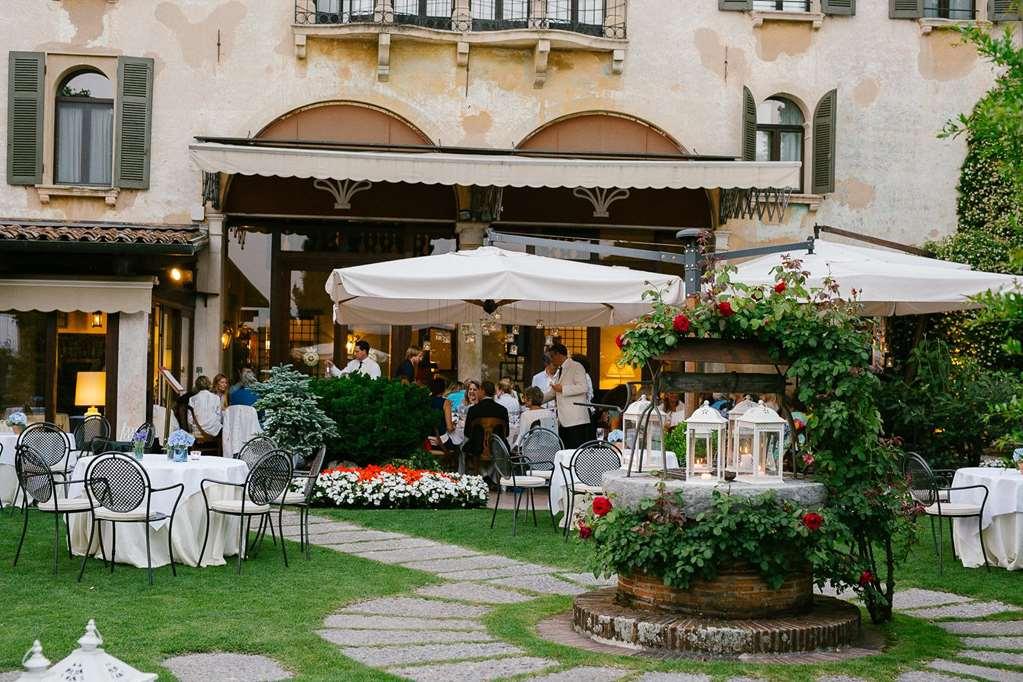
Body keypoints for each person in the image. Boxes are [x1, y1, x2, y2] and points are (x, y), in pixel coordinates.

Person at [542, 343, 593, 449]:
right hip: (563, 420)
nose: (551, 360)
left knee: (575, 451)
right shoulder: (560, 370)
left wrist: (563, 389)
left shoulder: (576, 366)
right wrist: (537, 400)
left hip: (575, 420)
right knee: (565, 450)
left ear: (558, 354)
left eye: (552, 356)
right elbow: (554, 392)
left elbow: (583, 387)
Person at [463, 380, 509, 460]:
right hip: (497, 449)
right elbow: (506, 433)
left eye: (479, 390)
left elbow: (467, 433)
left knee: (462, 447)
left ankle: (466, 472)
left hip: (476, 449)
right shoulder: (503, 410)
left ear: (483, 391)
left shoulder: (473, 410)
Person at [187, 375, 223, 440]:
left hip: (197, 431)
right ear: (209, 384)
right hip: (214, 431)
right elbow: (219, 416)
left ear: (197, 385)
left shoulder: (192, 399)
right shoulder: (216, 398)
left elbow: (190, 420)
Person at [428, 377, 454, 445]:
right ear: (444, 389)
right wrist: (453, 426)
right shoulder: (446, 402)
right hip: (440, 441)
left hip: (425, 442)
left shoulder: (424, 400)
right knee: (458, 444)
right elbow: (449, 428)